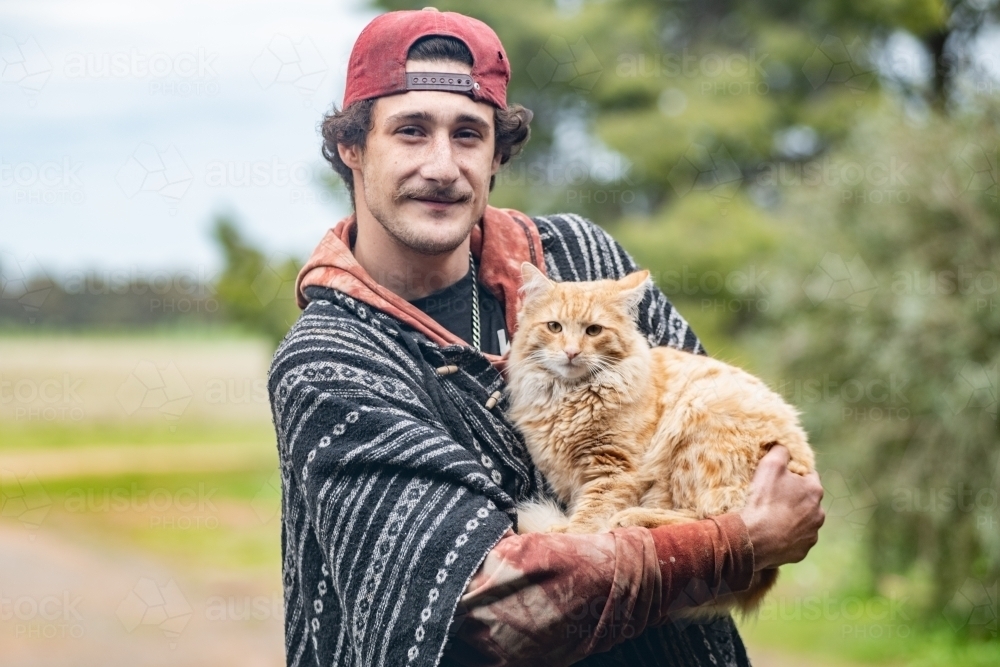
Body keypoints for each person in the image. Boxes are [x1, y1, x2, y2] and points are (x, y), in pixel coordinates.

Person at [267, 8, 825, 667]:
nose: (443, 165)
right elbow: (494, 608)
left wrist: (744, 515)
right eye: (411, 131)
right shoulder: (330, 361)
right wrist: (734, 541)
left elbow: (734, 468)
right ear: (352, 148)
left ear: (498, 153)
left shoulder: (580, 257)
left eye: (468, 134)